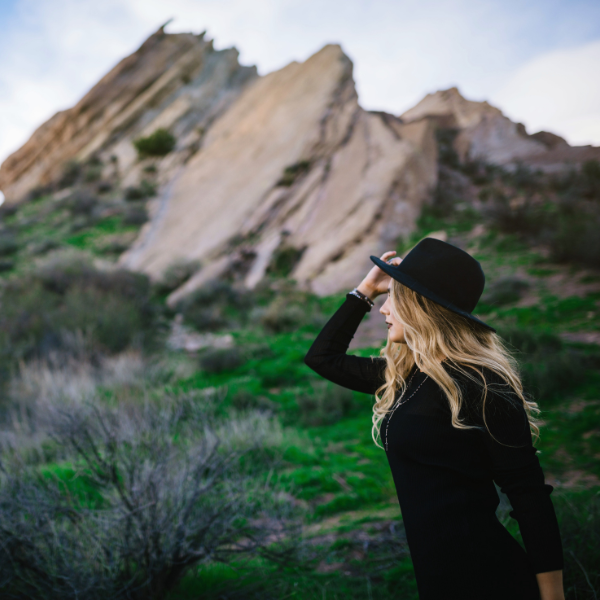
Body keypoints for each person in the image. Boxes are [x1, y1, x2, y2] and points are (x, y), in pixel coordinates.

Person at [303, 238, 564, 600]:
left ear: (421, 308)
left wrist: (553, 598)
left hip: (490, 580)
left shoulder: (483, 386)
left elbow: (530, 497)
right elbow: (323, 357)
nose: (384, 309)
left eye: (395, 297)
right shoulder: (407, 375)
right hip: (437, 581)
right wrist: (364, 291)